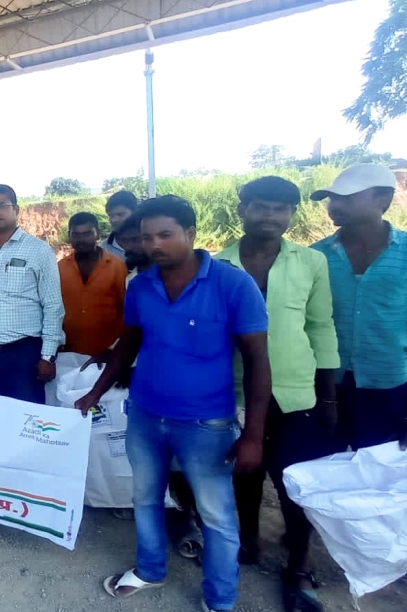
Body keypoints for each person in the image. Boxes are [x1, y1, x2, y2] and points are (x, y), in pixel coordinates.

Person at [74, 195, 271, 612]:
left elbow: (258, 361)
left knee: (216, 514)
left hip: (206, 424)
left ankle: (220, 599)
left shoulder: (233, 285)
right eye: (147, 237)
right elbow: (129, 343)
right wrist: (95, 392)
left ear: (190, 233)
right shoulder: (141, 286)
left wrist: (254, 435)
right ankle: (150, 569)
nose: (155, 245)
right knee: (145, 498)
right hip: (145, 416)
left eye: (165, 235)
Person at [218, 176, 340, 612]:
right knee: (244, 476)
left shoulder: (310, 262)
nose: (271, 216)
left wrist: (328, 397)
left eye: (281, 209)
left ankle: (300, 566)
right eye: (261, 207)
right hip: (235, 391)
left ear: (291, 214)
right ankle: (248, 541)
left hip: (296, 392)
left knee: (297, 485)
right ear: (243, 210)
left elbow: (321, 327)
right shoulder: (219, 265)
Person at [310, 163, 407, 451]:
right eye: (332, 198)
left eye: (347, 198)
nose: (335, 205)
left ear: (383, 198)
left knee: (379, 467)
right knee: (323, 466)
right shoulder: (315, 256)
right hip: (326, 383)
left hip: (389, 386)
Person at [0, 184, 64, 404]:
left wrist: (47, 356)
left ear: (16, 209)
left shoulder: (39, 250)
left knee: (26, 417)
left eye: (2, 205)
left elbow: (53, 306)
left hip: (24, 355)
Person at [58, 212, 127, 360]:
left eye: (87, 234)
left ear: (98, 234)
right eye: (76, 235)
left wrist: (118, 349)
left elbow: (126, 309)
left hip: (108, 353)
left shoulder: (117, 267)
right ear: (69, 236)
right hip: (69, 353)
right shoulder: (59, 268)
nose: (81, 240)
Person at [104, 190, 139, 260]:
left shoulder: (148, 241)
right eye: (111, 215)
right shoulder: (104, 248)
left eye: (120, 214)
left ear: (134, 212)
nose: (114, 220)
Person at [117, 213, 151, 282]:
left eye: (136, 240)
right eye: (124, 240)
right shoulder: (130, 278)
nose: (128, 247)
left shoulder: (169, 277)